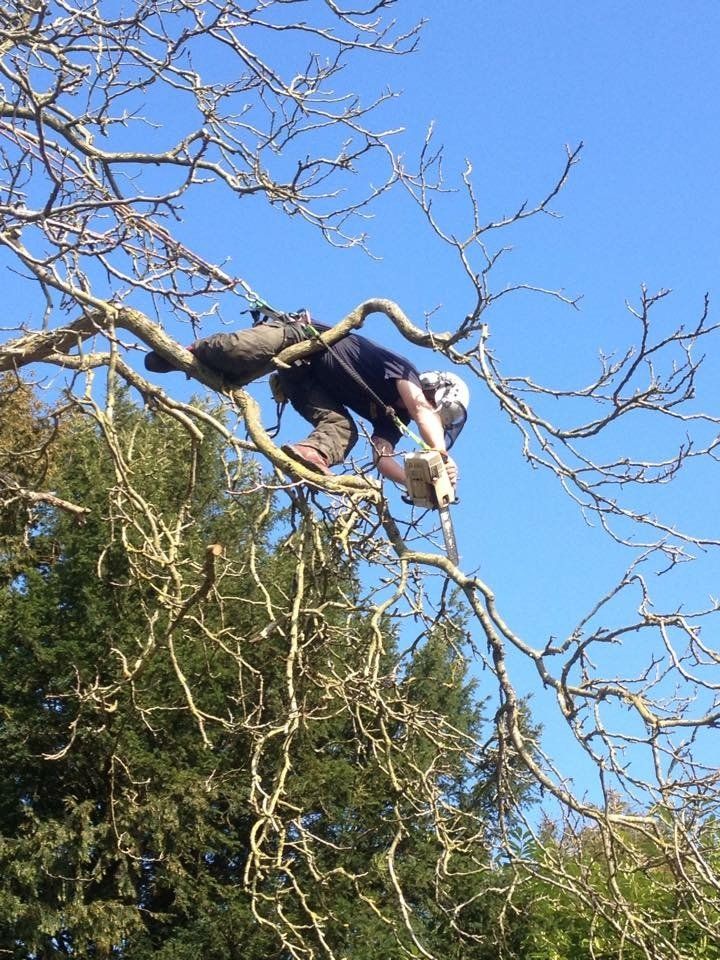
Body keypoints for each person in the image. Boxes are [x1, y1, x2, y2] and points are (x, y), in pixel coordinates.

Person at [144, 309, 468, 486]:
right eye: (439, 416)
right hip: (300, 335)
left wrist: (414, 483)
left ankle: (311, 453)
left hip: (303, 382)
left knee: (343, 430)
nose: (435, 420)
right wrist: (440, 456)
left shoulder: (395, 422)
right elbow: (421, 409)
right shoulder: (404, 372)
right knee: (239, 352)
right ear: (435, 393)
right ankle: (190, 353)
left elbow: (382, 459)